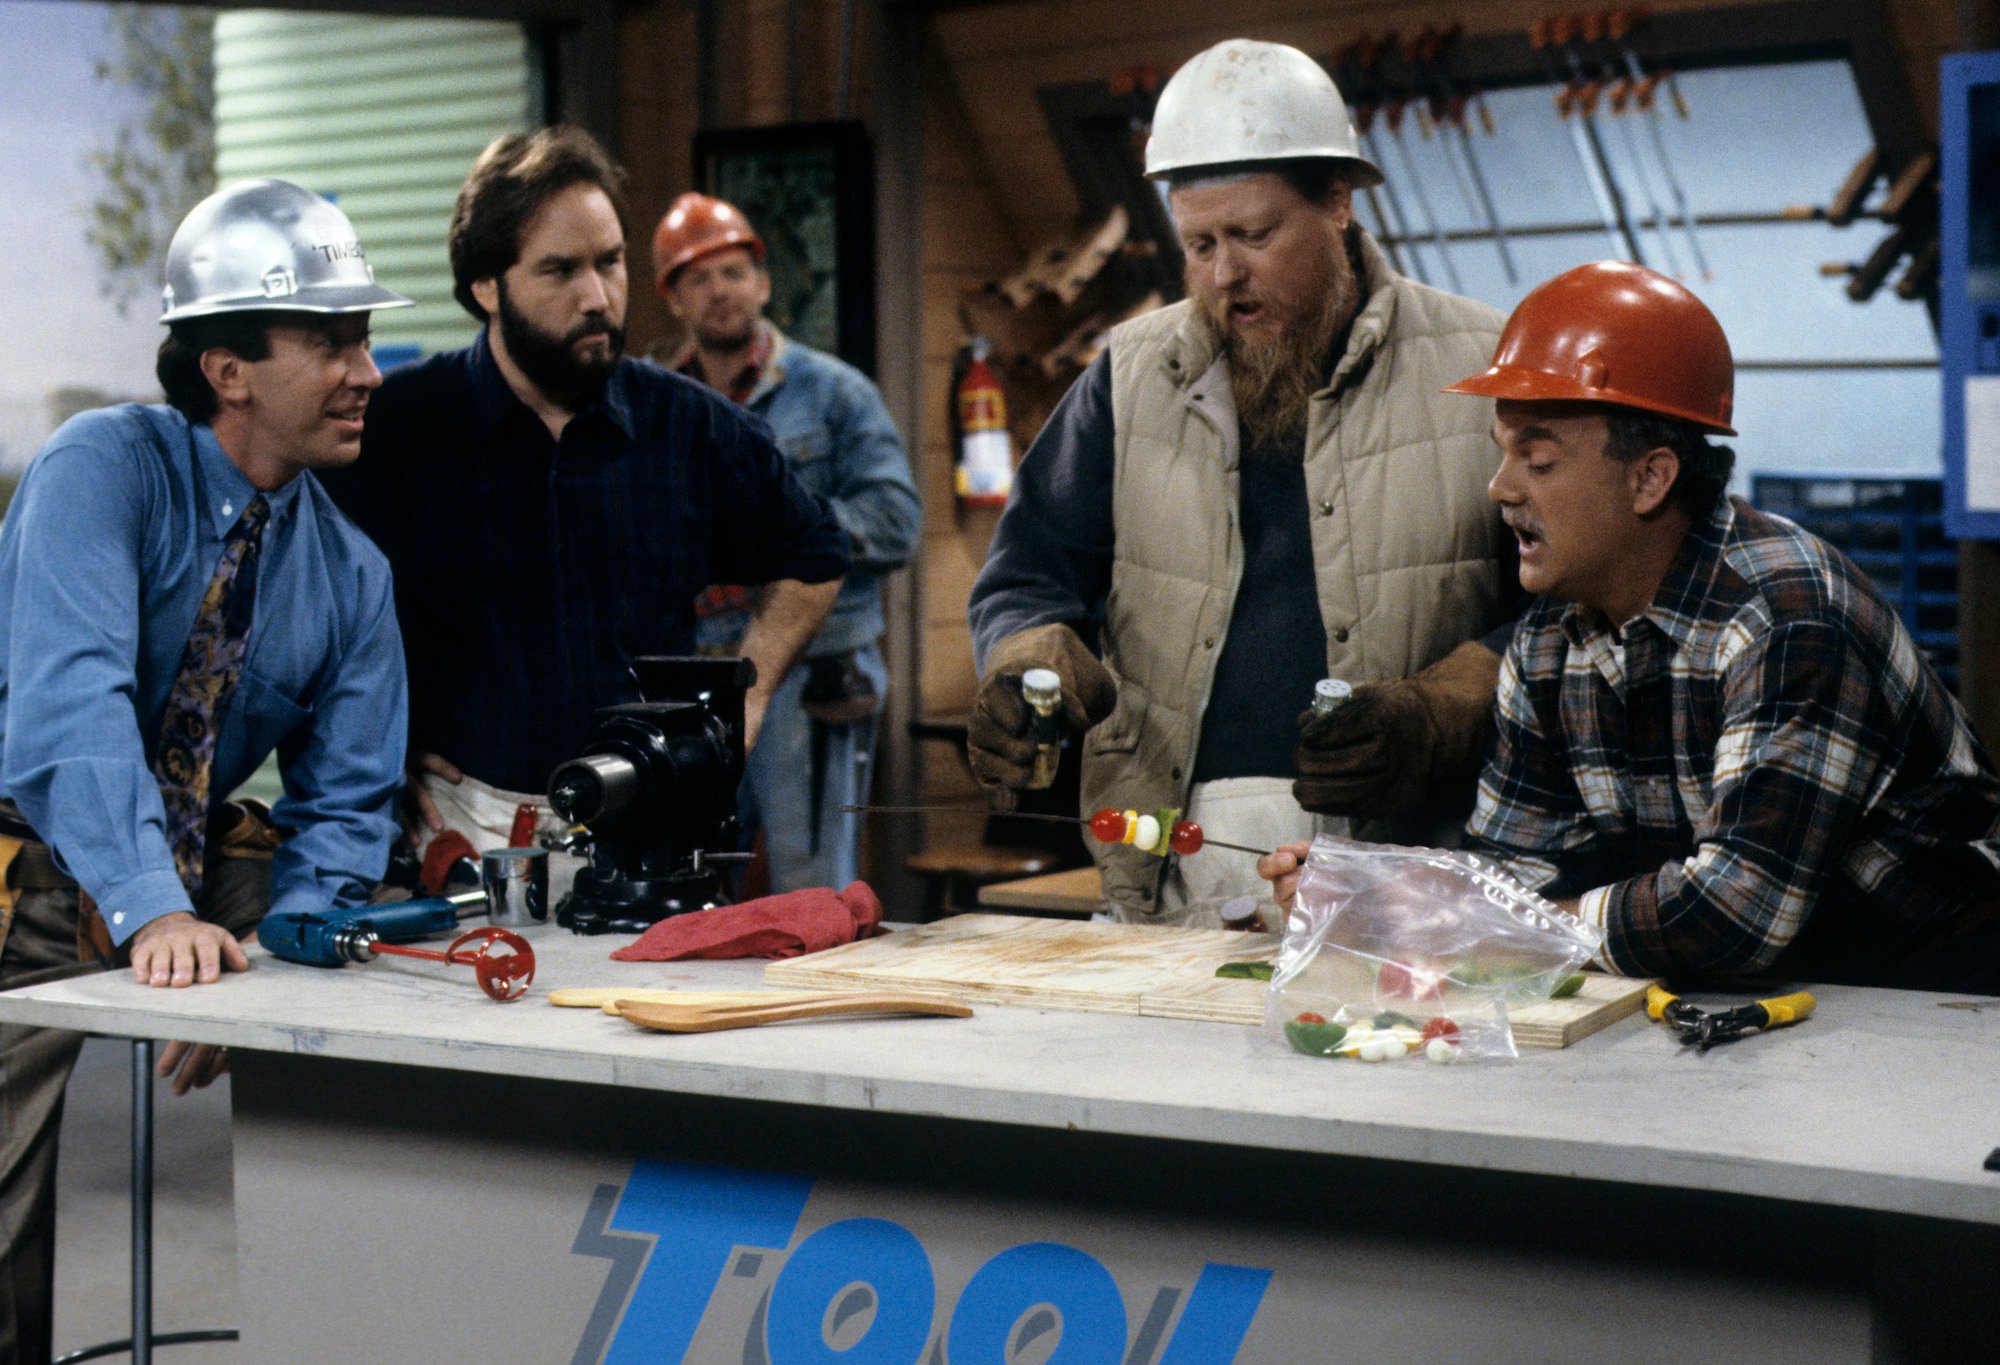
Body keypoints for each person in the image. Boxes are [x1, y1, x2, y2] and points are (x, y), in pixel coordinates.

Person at [1262, 261, 2000, 993]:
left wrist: (1489, 926)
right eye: (1502, 451)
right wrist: (1382, 897)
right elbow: (1517, 869)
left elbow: (1736, 913)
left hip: (1945, 995)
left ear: (1650, 478)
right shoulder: (1550, 641)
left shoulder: (1787, 617)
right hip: (1790, 990)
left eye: (1539, 459)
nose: (1501, 487)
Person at [966, 38, 1515, 925]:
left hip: (1417, 868)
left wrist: (1453, 700)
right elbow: (1028, 574)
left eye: (1255, 235)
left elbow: (1569, 608)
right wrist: (1027, 652)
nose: (1226, 273)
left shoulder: (1480, 365)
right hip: (1176, 862)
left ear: (1338, 202)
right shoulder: (1128, 377)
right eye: (1200, 243)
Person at [0, 179, 410, 1358]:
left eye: (365, 338)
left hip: (183, 868)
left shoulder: (351, 574)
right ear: (228, 369)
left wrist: (285, 967)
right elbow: (67, 710)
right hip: (28, 858)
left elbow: (344, 809)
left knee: (377, 959)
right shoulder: (102, 468)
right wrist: (153, 911)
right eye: (331, 341)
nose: (367, 371)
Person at [322, 128, 848, 901]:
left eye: (609, 262)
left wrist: (750, 692)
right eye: (560, 271)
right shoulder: (397, 429)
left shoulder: (690, 426)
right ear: (486, 287)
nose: (598, 297)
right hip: (458, 836)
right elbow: (295, 609)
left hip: (652, 836)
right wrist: (363, 749)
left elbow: (813, 552)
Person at [653, 193, 920, 892]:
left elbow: (895, 520)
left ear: (765, 283)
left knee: (809, 884)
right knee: (692, 881)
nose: (721, 291)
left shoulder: (834, 393)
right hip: (695, 673)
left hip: (811, 670)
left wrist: (783, 522)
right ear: (671, 299)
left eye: (735, 271)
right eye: (698, 278)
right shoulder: (657, 404)